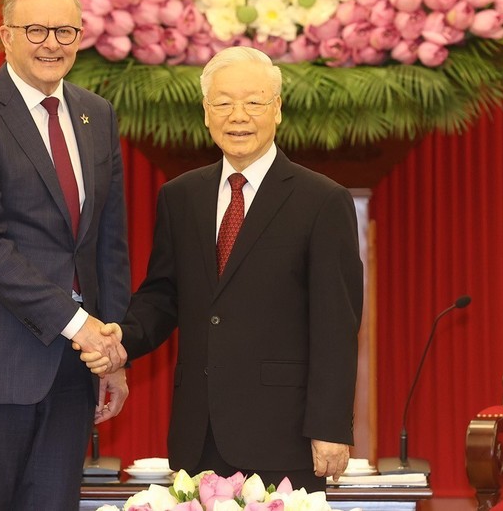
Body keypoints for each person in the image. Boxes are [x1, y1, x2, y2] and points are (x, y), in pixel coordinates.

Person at [81, 46, 363, 491]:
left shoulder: (322, 200)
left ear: (278, 110)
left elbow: (337, 323)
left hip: (284, 435)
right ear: (206, 113)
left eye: (253, 102)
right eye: (223, 103)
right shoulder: (181, 196)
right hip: (200, 431)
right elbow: (163, 295)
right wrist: (122, 340)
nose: (238, 116)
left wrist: (330, 427)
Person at [0, 0, 130, 510]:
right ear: (6, 36)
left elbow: (108, 243)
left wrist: (112, 352)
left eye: (65, 30)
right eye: (35, 29)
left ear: (81, 37)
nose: (51, 43)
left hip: (72, 369)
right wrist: (79, 324)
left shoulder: (97, 115)